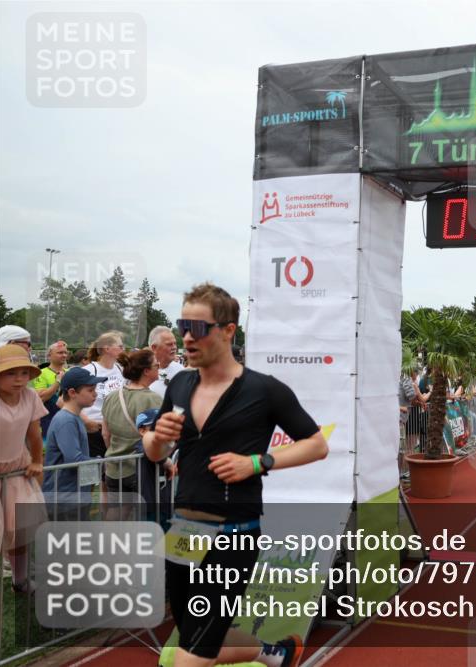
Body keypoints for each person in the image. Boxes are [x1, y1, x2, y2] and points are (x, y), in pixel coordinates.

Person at [143, 283, 327, 667]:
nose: (187, 336)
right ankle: (275, 653)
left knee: (190, 658)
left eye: (199, 327)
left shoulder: (264, 389)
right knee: (196, 632)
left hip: (233, 535)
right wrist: (157, 440)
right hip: (184, 531)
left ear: (228, 331)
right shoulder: (178, 383)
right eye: (182, 325)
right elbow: (156, 452)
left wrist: (258, 462)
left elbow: (316, 443)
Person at [0, 344, 48, 593]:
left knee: (21, 530)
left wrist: (37, 461)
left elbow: (35, 435)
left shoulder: (30, 396)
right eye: (10, 373)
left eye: (24, 373)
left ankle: (20, 580)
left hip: (16, 471)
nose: (19, 379)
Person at [42, 367, 106, 519]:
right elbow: (74, 459)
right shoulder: (66, 421)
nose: (95, 394)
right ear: (72, 393)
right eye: (90, 390)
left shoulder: (73, 418)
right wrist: (102, 462)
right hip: (64, 498)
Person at [102, 350, 162, 510]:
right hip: (140, 469)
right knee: (145, 518)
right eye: (157, 365)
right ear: (146, 371)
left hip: (113, 467)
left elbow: (105, 434)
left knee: (116, 515)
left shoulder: (112, 396)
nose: (159, 367)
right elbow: (158, 439)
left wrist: (117, 451)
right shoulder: (153, 399)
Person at [81, 331, 126, 458]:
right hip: (95, 430)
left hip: (116, 430)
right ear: (107, 348)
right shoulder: (89, 371)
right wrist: (87, 421)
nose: (123, 349)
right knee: (96, 473)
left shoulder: (120, 369)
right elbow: (64, 401)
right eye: (120, 346)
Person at [130, 408, 175, 525]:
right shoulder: (141, 446)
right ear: (142, 431)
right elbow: (147, 450)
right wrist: (166, 461)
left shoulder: (166, 445)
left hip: (165, 502)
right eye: (154, 427)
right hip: (150, 504)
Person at [31, 340, 69, 438]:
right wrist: (58, 382)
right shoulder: (41, 373)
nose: (64, 355)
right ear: (49, 356)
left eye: (65, 352)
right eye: (60, 353)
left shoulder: (70, 372)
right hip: (48, 420)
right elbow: (42, 398)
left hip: (68, 419)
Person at [148, 326, 185, 397]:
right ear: (154, 348)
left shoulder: (181, 370)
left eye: (175, 343)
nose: (174, 347)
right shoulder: (140, 371)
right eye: (169, 344)